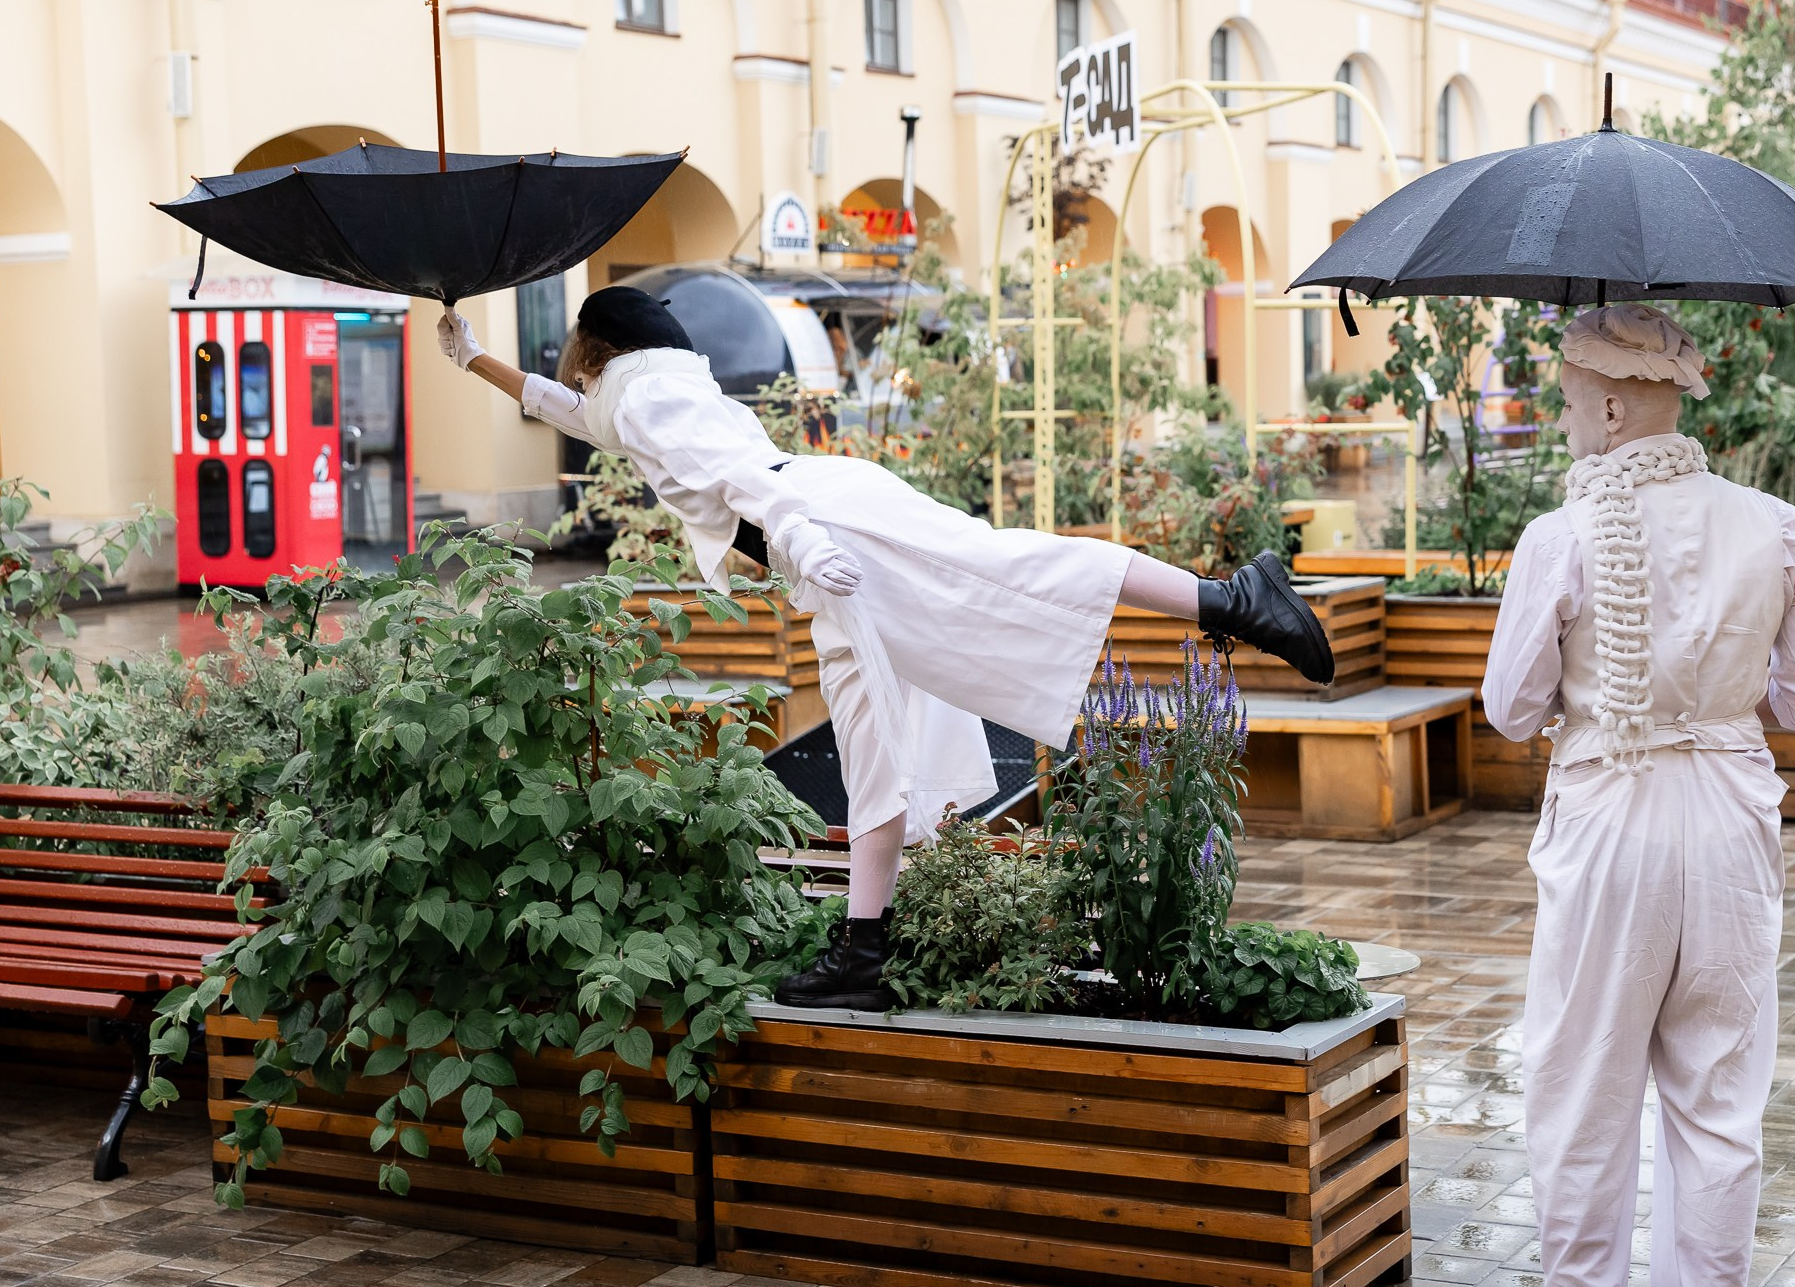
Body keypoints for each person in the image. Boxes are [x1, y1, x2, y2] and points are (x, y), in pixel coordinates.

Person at [437, 286, 1333, 1007]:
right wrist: (473, 354)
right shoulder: (649, 392)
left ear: (597, 351)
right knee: (876, 726)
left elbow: (741, 478)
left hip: (824, 530)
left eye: (576, 361)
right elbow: (579, 414)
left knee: (1019, 570)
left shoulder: (647, 398)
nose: (572, 377)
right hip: (820, 536)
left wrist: (799, 536)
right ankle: (866, 948)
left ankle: (1233, 597)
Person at [1479, 302, 1795, 1287]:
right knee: (1719, 1083)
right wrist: (1727, 689)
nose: (1562, 418)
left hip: (1607, 822)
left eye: (1564, 397)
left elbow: (1508, 708)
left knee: (1583, 1083)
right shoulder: (1774, 526)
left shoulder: (1560, 537)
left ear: (1605, 401)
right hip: (1730, 815)